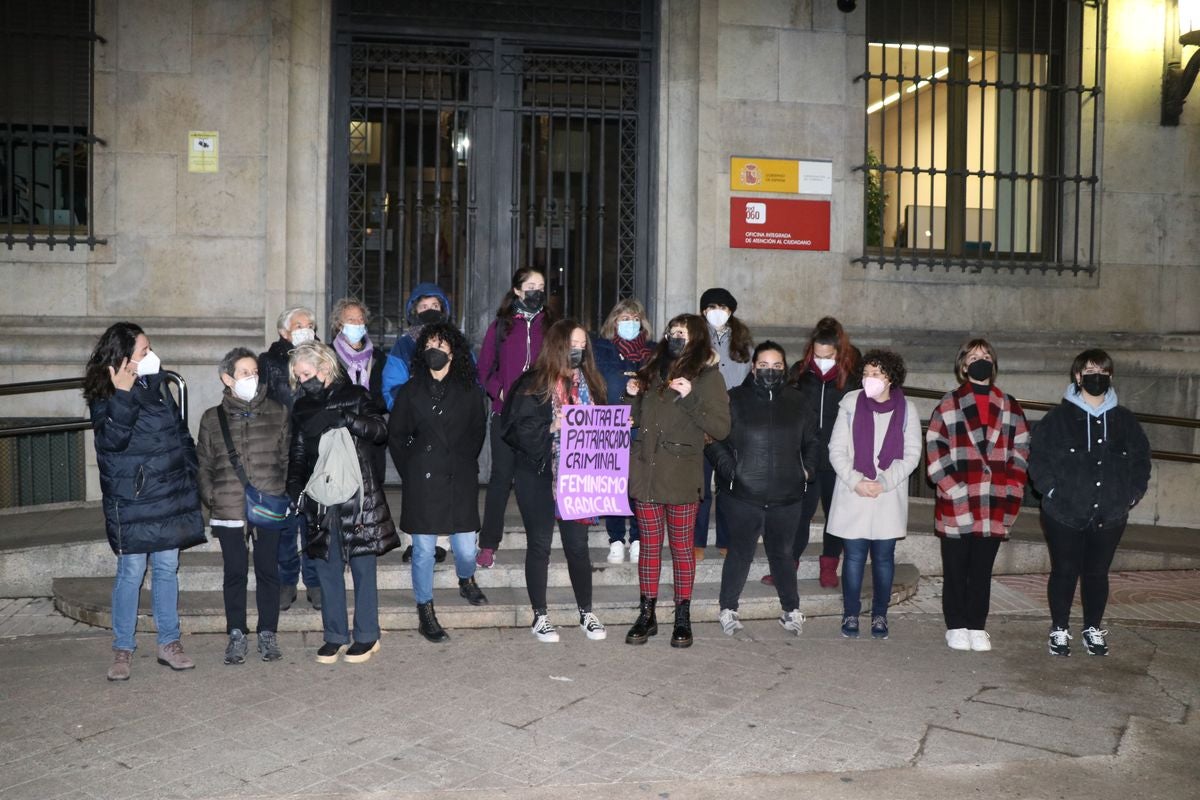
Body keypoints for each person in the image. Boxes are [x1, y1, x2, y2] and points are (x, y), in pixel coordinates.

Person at [84, 322, 206, 681]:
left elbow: (179, 433)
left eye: (151, 349)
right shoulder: (106, 392)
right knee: (132, 571)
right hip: (134, 497)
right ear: (122, 359)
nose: (152, 356)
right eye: (143, 351)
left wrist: (191, 470)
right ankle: (123, 648)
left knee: (167, 568)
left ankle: (169, 643)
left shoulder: (157, 386)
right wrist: (121, 394)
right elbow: (111, 444)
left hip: (169, 493)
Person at [1028, 349, 1151, 657]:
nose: (1097, 376)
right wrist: (1052, 492)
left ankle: (1092, 628)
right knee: (1064, 571)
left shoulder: (1124, 421)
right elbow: (1038, 460)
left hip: (1109, 514)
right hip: (1064, 514)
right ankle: (1059, 628)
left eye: (1103, 371)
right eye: (1091, 370)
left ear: (1110, 377)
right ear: (1078, 376)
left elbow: (1140, 461)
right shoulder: (1057, 419)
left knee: (1097, 573)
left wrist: (1130, 495)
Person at [286, 342, 400, 664]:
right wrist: (294, 488)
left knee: (363, 565)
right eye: (298, 376)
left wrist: (348, 419)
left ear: (324, 368)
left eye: (306, 374)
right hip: (320, 498)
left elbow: (379, 431)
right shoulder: (302, 408)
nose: (302, 381)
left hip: (358, 494)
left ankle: (367, 635)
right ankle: (334, 636)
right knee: (327, 567)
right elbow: (297, 454)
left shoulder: (357, 396)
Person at [622, 314, 730, 648]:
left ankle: (682, 616)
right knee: (649, 550)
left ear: (696, 337)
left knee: (682, 550)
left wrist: (691, 396)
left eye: (682, 333)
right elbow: (634, 419)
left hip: (682, 475)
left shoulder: (708, 376)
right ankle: (647, 614)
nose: (675, 337)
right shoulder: (653, 368)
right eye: (671, 332)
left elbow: (721, 427)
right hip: (647, 473)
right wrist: (630, 396)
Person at [499, 319, 608, 643]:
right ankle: (540, 615)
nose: (578, 350)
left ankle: (586, 612)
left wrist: (612, 426)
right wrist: (551, 425)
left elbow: (600, 426)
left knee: (578, 547)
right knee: (540, 545)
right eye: (572, 344)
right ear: (557, 346)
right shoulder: (532, 384)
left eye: (582, 345)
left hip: (577, 476)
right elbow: (513, 430)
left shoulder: (591, 383)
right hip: (538, 475)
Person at [708, 341, 819, 637]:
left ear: (784, 368)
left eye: (777, 366)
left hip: (787, 496)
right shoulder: (733, 399)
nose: (770, 371)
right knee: (739, 552)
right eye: (764, 365)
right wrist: (730, 470)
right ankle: (728, 608)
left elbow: (813, 441)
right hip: (743, 495)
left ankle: (791, 609)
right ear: (753, 367)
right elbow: (713, 437)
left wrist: (805, 470)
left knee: (782, 553)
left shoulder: (798, 401)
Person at [926, 339, 1030, 653]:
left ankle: (977, 625)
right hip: (958, 500)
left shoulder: (1009, 404)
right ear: (963, 365)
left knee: (982, 571)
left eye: (985, 356)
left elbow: (1021, 450)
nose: (980, 360)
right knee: (956, 568)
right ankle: (956, 625)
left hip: (995, 502)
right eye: (974, 356)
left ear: (993, 364)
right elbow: (935, 449)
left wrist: (1012, 486)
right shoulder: (948, 403)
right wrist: (954, 488)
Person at [388, 322, 489, 643]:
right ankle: (425, 609)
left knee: (465, 549)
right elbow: (397, 436)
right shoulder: (409, 390)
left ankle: (465, 578)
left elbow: (477, 434)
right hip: (423, 480)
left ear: (454, 351)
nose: (435, 349)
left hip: (458, 477)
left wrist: (460, 463)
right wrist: (414, 468)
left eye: (441, 344)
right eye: (429, 344)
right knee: (422, 551)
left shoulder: (470, 391)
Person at [196, 347, 290, 664]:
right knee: (234, 574)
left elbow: (287, 459)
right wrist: (213, 498)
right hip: (229, 510)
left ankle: (268, 633)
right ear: (227, 378)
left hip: (268, 507)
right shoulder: (212, 419)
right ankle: (236, 633)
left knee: (268, 572)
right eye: (244, 372)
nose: (252, 378)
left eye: (255, 372)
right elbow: (203, 466)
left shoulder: (278, 412)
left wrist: (281, 494)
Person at [826, 349, 921, 641]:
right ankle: (851, 612)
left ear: (891, 378)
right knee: (853, 558)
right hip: (854, 493)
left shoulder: (907, 410)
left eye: (876, 374)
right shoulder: (851, 403)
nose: (870, 379)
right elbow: (836, 450)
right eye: (866, 374)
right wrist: (856, 481)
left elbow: (912, 454)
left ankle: (880, 612)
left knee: (883, 558)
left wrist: (884, 482)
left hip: (886, 495)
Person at [762, 316, 861, 588]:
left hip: (839, 460)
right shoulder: (799, 373)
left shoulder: (851, 379)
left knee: (836, 515)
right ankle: (787, 565)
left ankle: (829, 565)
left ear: (839, 352)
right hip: (804, 457)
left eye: (828, 356)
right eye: (817, 355)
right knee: (798, 515)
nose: (822, 360)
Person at [476, 268, 559, 568]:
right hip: (505, 416)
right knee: (501, 478)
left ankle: (540, 541)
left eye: (541, 285)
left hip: (540, 418)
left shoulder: (552, 327)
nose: (537, 290)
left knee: (537, 478)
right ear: (518, 290)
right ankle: (488, 544)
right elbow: (484, 370)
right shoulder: (501, 326)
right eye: (531, 286)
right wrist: (499, 392)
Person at [258, 305, 322, 612]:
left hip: (314, 452)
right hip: (281, 452)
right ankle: (287, 581)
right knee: (284, 523)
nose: (306, 329)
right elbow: (260, 405)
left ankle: (314, 582)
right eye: (300, 325)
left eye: (310, 324)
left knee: (313, 521)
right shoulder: (269, 362)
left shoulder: (324, 358)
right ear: (285, 331)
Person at [591, 298, 654, 564]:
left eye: (634, 318)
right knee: (614, 484)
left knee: (639, 485)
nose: (630, 324)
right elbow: (602, 381)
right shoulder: (601, 348)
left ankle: (638, 538)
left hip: (643, 426)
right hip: (612, 425)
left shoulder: (653, 352)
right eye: (624, 318)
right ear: (614, 322)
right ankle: (616, 539)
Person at [694, 287, 753, 559]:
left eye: (723, 308)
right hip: (702, 420)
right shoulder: (694, 339)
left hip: (733, 420)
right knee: (701, 485)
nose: (717, 313)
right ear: (703, 311)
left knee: (729, 483)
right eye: (712, 307)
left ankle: (726, 539)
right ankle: (697, 541)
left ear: (731, 312)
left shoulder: (743, 343)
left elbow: (749, 380)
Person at [381, 282, 453, 410]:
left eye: (435, 306)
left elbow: (471, 379)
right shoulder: (403, 346)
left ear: (442, 310)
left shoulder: (456, 341)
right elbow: (393, 387)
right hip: (415, 418)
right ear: (415, 312)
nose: (430, 311)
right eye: (424, 307)